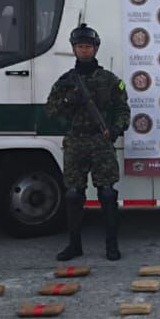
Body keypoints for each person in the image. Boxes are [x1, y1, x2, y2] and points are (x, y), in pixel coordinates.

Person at [45, 24, 131, 262]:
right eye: (80, 47)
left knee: (107, 193)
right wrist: (69, 99)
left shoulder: (110, 80)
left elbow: (123, 109)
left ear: (95, 49)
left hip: (100, 140)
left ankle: (111, 246)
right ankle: (74, 245)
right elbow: (50, 110)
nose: (84, 51)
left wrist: (116, 129)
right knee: (73, 194)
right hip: (75, 141)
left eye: (88, 47)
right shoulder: (66, 81)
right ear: (74, 49)